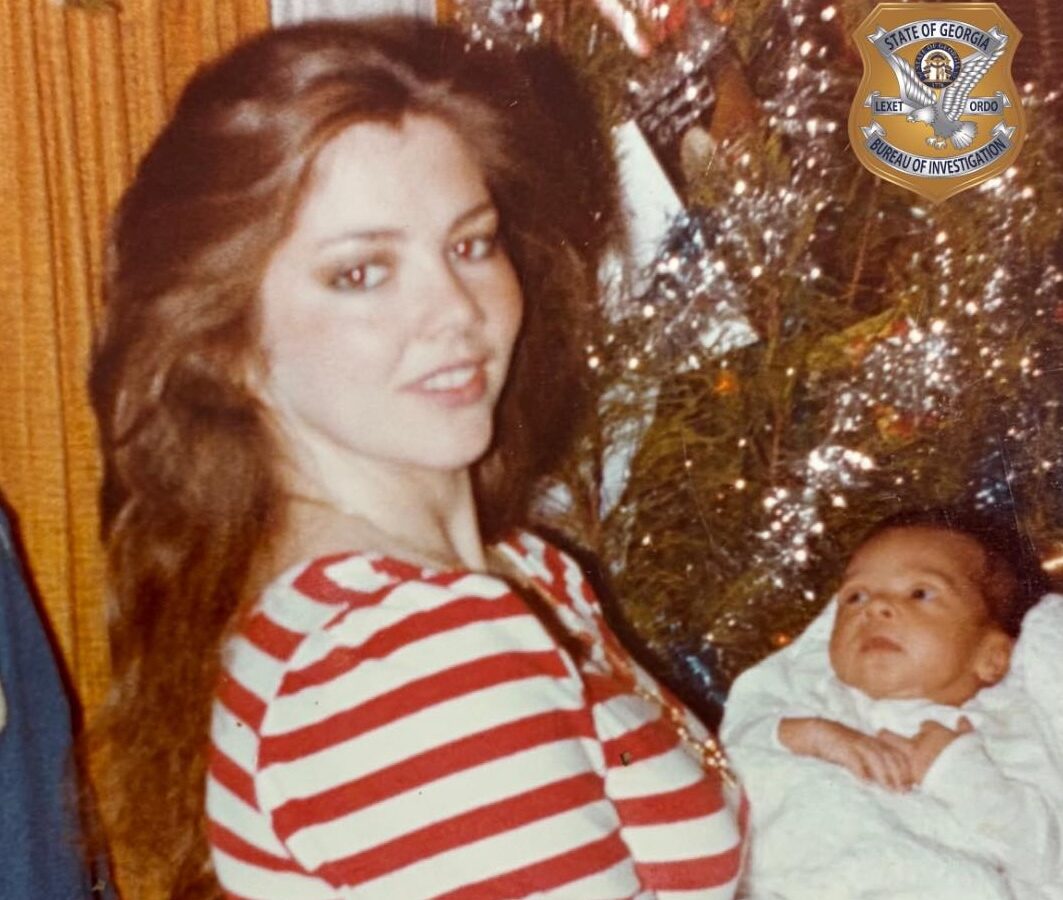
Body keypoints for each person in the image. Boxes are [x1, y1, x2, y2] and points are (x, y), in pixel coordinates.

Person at [89, 18, 744, 899]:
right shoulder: (411, 656)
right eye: (361, 272)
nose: (456, 311)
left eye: (470, 244)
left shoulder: (504, 573)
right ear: (226, 340)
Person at [721, 508, 1063, 899]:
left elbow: (1046, 857)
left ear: (992, 657)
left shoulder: (1001, 730)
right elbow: (728, 756)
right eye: (855, 596)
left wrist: (956, 770)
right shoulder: (813, 695)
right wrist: (807, 735)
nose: (875, 608)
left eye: (920, 593)